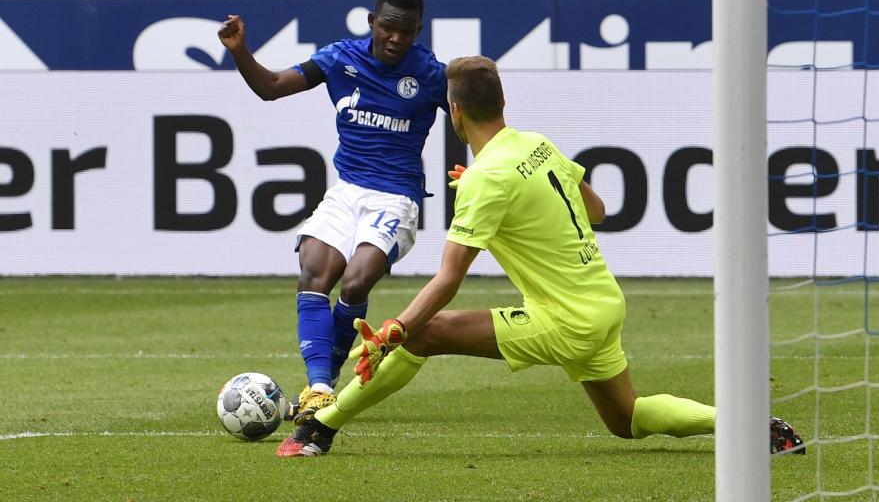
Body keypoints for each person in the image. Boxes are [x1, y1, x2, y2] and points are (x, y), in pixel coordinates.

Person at [292, 55, 806, 458]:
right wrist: (504, 197)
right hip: (602, 302)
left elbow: (448, 280)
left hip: (565, 319)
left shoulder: (487, 180)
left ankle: (320, 427)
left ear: (455, 112)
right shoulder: (533, 144)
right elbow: (599, 210)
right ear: (502, 102)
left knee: (426, 332)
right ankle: (745, 425)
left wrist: (395, 330)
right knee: (626, 421)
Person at [216, 0, 450, 458]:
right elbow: (272, 88)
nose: (395, 39)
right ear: (371, 22)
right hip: (346, 192)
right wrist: (241, 51)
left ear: (418, 31)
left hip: (395, 198)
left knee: (356, 282)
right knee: (313, 273)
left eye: (406, 31)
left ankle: (330, 373)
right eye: (388, 27)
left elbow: (474, 121)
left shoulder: (431, 74)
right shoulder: (340, 58)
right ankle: (320, 388)